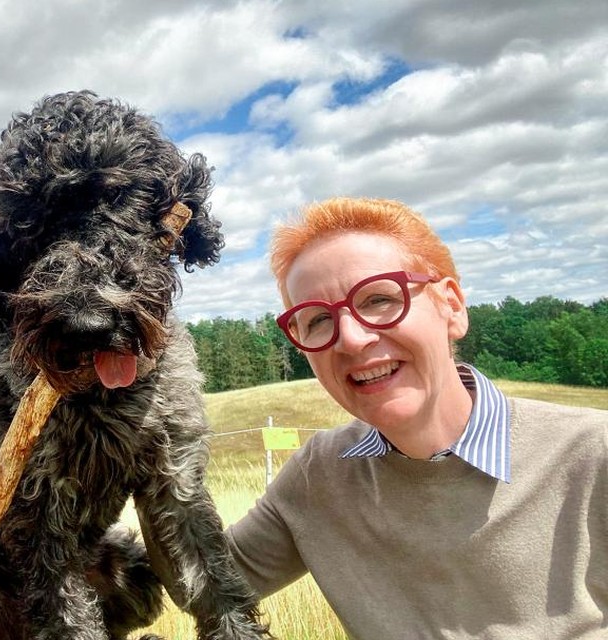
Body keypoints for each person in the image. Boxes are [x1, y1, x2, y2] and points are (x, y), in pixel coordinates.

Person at [226, 197, 607, 639]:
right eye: (316, 321)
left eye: (379, 299)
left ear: (453, 307)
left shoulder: (592, 454)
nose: (350, 338)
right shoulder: (320, 477)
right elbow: (195, 579)